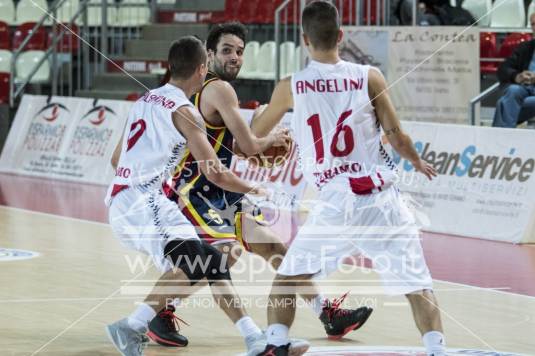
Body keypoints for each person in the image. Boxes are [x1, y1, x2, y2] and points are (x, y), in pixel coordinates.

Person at [157, 22, 372, 353]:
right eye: (227, 50)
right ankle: (158, 310)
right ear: (208, 54)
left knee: (274, 249)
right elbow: (248, 144)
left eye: (240, 51)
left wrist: (255, 150)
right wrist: (268, 142)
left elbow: (233, 147)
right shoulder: (217, 89)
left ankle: (327, 313)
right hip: (198, 193)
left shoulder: (202, 90)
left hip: (220, 193)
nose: (235, 57)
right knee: (220, 260)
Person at [249, 2, 446, 355]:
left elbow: (255, 133)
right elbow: (396, 135)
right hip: (381, 195)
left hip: (337, 198)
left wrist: (265, 124)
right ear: (341, 36)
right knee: (418, 284)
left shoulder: (290, 86)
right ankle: (437, 350)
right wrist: (417, 161)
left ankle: (277, 345)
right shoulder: (369, 76)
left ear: (304, 39)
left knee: (287, 279)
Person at [105, 36, 273, 356]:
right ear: (201, 68)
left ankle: (254, 338)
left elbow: (116, 160)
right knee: (203, 259)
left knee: (212, 261)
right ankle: (132, 325)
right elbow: (216, 173)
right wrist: (257, 189)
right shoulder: (186, 112)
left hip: (137, 198)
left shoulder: (144, 100)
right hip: (141, 202)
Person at [493, 13, 535, 128]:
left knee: (503, 103)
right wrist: (517, 76)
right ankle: (504, 137)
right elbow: (503, 69)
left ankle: (500, 139)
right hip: (525, 90)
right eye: (533, 24)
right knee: (512, 90)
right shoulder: (526, 47)